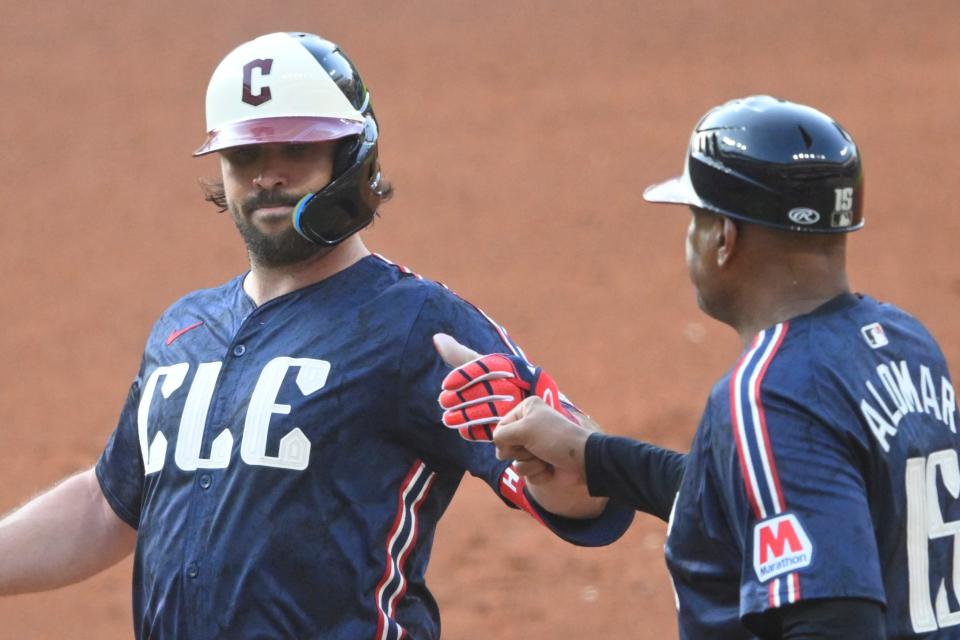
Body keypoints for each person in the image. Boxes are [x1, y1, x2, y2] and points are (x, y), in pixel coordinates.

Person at [0, 32, 633, 639]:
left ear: (352, 156)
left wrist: (555, 461)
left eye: (297, 150)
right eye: (246, 155)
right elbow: (108, 504)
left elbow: (582, 482)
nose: (268, 176)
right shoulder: (182, 331)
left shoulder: (415, 323)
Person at [435, 96, 960, 638]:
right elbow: (783, 492)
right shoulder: (904, 344)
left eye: (696, 218)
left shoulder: (770, 389)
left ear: (723, 239)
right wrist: (593, 458)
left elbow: (834, 622)